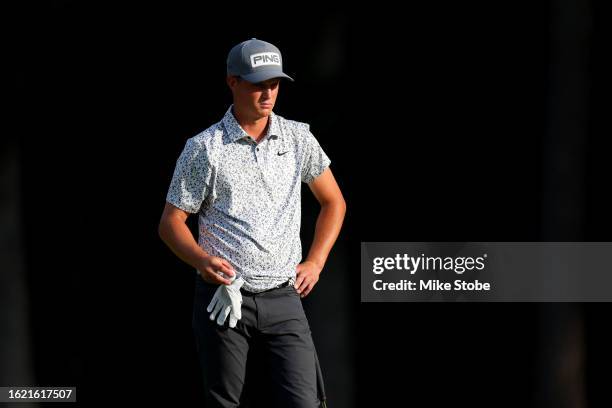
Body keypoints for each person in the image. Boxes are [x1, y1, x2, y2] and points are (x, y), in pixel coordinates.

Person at [158, 38, 346, 408]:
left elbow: (333, 202)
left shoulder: (298, 138)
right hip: (224, 297)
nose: (268, 93)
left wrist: (316, 261)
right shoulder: (204, 148)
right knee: (224, 402)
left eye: (274, 83)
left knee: (305, 401)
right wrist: (201, 261)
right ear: (233, 82)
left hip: (284, 296)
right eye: (258, 83)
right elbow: (171, 223)